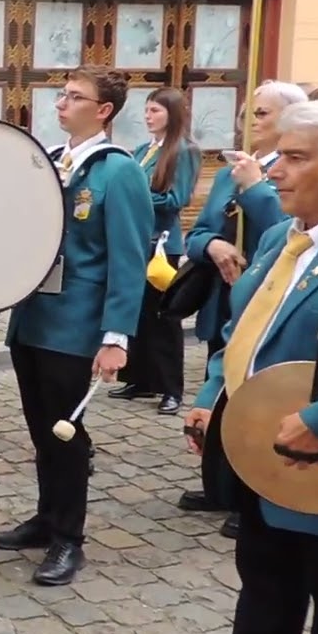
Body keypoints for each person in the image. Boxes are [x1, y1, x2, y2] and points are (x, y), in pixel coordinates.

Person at [183, 99, 318, 634]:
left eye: (295, 158)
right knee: (264, 611)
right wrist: (212, 396)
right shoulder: (279, 241)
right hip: (264, 466)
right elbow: (244, 329)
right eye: (278, 156)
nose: (273, 171)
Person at [0, 64, 154, 586]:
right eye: (61, 94)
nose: (60, 103)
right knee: (42, 430)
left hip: (76, 325)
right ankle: (46, 518)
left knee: (67, 436)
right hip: (34, 319)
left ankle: (69, 539)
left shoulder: (118, 171)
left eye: (73, 96)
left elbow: (128, 260)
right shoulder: (53, 161)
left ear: (103, 110)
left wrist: (115, 338)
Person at [179, 80, 305, 538]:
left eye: (262, 114)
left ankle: (250, 487)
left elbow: (286, 230)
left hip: (278, 314)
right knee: (225, 388)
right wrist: (211, 244)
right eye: (248, 113)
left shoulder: (273, 180)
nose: (249, 122)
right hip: (227, 300)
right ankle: (222, 482)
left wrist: (256, 189)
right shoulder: (235, 168)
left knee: (261, 401)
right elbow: (196, 232)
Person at [110, 87, 201, 415]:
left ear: (172, 115)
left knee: (163, 319)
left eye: (155, 111)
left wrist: (134, 198)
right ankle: (139, 378)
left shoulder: (183, 151)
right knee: (137, 314)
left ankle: (170, 388)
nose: (148, 117)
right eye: (147, 110)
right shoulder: (141, 150)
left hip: (163, 246)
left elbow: (176, 200)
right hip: (135, 242)